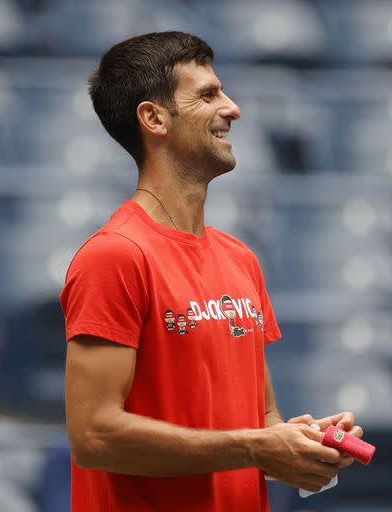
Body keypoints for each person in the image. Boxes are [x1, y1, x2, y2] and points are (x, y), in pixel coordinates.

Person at [60, 31, 364, 511]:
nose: (233, 108)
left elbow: (260, 420)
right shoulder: (114, 256)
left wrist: (298, 445)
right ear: (153, 117)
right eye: (207, 95)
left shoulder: (241, 259)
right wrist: (251, 446)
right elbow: (93, 435)